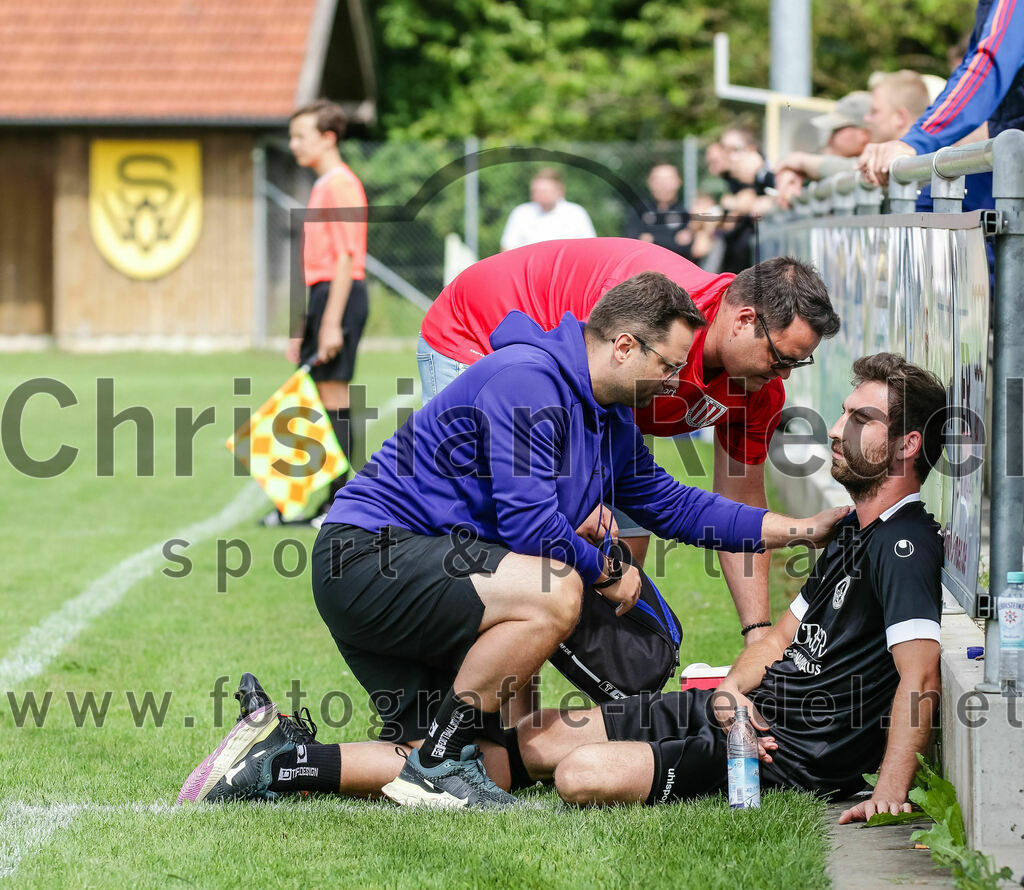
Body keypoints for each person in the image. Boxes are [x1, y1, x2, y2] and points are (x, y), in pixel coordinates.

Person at [178, 272, 849, 810]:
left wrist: (799, 528)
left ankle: (279, 759)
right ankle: (441, 759)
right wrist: (609, 570)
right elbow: (530, 525)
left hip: (432, 575)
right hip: (366, 560)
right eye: (669, 367)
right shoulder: (526, 379)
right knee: (553, 591)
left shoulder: (611, 414)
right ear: (623, 346)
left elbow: (672, 505)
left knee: (496, 765)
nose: (676, 385)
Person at [508, 353, 947, 822]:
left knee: (580, 775)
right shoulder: (852, 530)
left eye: (860, 419)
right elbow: (780, 639)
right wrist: (730, 691)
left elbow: (920, 678)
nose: (836, 429)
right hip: (744, 715)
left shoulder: (906, 544)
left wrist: (890, 788)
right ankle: (430, 772)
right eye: (842, 413)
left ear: (908, 444)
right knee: (538, 739)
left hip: (784, 753)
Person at [418, 238, 841, 649]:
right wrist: (575, 505)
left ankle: (593, 706)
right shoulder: (649, 318)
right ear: (745, 320)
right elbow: (537, 487)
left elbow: (736, 499)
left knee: (622, 550)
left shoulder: (758, 387)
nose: (784, 375)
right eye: (781, 358)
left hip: (578, 397)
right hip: (478, 327)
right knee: (510, 540)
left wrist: (758, 631)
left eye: (797, 363)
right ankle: (480, 699)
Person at [260, 99, 368, 528]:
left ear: (328, 138)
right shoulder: (323, 185)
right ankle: (316, 499)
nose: (293, 144)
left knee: (334, 400)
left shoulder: (340, 185)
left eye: (300, 136)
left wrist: (328, 324)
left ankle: (340, 503)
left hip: (340, 298)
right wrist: (302, 325)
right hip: (324, 298)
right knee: (319, 401)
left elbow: (345, 259)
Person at [859, 0, 1024, 185]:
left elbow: (987, 67)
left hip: (1012, 163)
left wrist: (916, 140)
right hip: (1009, 161)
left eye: (875, 111)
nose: (867, 118)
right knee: (929, 203)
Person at [775, 91, 872, 183]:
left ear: (862, 134)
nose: (829, 140)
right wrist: (792, 173)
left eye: (836, 130)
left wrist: (801, 161)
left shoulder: (878, 164)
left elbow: (858, 168)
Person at [500, 167, 596, 251]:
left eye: (545, 191)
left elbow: (590, 246)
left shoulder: (575, 213)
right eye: (536, 191)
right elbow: (507, 247)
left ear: (560, 191)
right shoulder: (521, 213)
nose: (540, 195)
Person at [626, 164, 691, 257]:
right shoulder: (638, 211)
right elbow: (631, 240)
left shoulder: (686, 212)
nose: (663, 184)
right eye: (658, 179)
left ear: (679, 182)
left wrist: (652, 240)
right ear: (649, 183)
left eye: (668, 179)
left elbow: (689, 247)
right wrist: (673, 241)